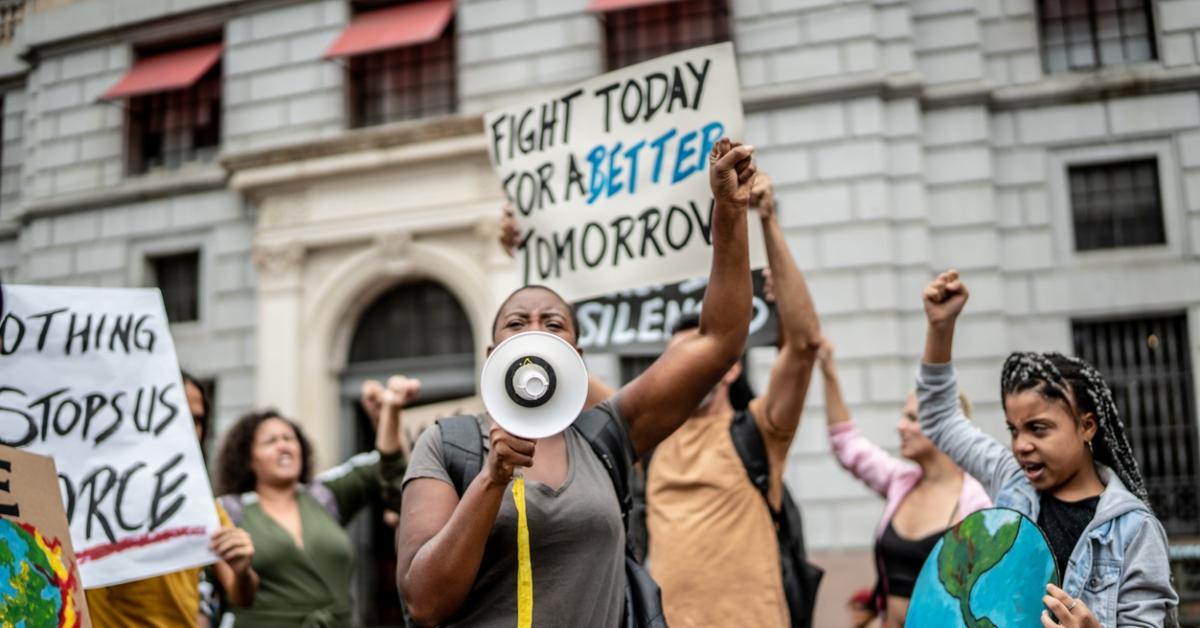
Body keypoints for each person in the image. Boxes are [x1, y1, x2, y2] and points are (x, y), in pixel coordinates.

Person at [396, 138, 757, 627]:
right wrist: (492, 478)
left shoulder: (604, 434)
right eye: (517, 323)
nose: (535, 333)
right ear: (492, 354)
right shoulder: (448, 445)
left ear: (575, 357)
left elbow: (718, 342)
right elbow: (424, 602)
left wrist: (730, 213)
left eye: (554, 325)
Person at [917, 269, 1178, 627]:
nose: (1022, 445)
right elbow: (939, 417)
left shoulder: (1133, 530)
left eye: (1039, 429)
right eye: (1014, 429)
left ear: (1086, 425)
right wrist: (940, 328)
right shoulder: (1011, 481)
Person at [624, 170, 820, 628]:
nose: (688, 369)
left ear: (731, 366)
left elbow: (804, 346)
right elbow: (564, 375)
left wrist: (768, 221)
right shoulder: (645, 431)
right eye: (677, 360)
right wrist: (524, 251)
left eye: (701, 357)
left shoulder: (761, 430)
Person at [214, 376, 414, 627]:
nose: (284, 446)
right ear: (247, 459)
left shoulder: (324, 496)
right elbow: (221, 595)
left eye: (289, 439)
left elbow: (388, 467)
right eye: (271, 441)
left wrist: (389, 412)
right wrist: (242, 571)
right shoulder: (228, 512)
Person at [818, 340, 990, 626]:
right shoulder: (901, 482)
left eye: (912, 418)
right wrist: (828, 371)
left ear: (943, 426)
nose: (900, 426)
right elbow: (847, 445)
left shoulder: (978, 503)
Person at [86, 373, 259, 628]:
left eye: (197, 420)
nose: (187, 428)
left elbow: (241, 594)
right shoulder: (90, 493)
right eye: (175, 413)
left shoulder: (201, 503)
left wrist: (243, 569)